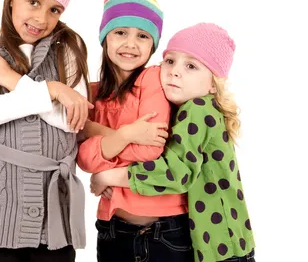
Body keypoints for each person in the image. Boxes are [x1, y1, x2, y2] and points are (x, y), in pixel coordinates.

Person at [0, 0, 92, 262]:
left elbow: (70, 121)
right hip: (2, 200)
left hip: (55, 200)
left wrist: (10, 79)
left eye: (54, 9)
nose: (41, 18)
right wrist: (51, 90)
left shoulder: (68, 51)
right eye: (33, 1)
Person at [90, 23, 256, 262]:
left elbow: (176, 174)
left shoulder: (198, 109)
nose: (174, 71)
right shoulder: (183, 108)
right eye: (169, 61)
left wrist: (108, 177)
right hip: (219, 242)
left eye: (191, 66)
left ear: (213, 84)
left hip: (221, 247)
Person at [77, 0, 192, 261]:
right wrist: (128, 133)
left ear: (153, 45)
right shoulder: (90, 94)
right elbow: (82, 159)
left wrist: (96, 140)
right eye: (120, 32)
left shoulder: (152, 80)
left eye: (142, 36)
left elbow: (150, 150)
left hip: (165, 231)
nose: (130, 43)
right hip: (112, 229)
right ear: (105, 37)